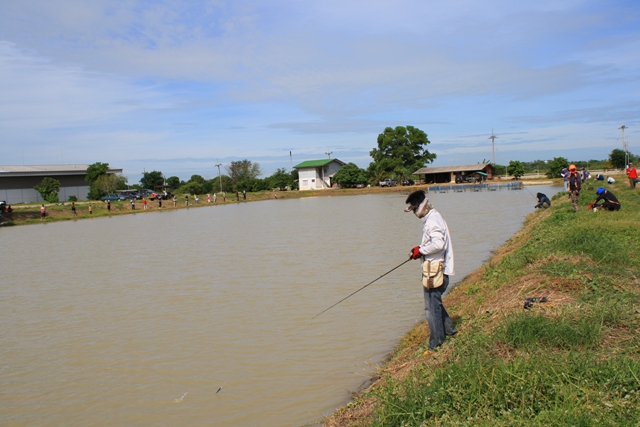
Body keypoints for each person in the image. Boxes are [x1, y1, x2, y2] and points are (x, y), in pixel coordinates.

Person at [405, 190, 458, 353]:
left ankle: (436, 342)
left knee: (431, 308)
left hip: (437, 271)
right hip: (435, 269)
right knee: (435, 304)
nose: (414, 213)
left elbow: (438, 244)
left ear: (421, 206)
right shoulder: (432, 218)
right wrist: (420, 250)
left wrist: (420, 250)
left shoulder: (432, 221)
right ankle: (450, 331)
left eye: (414, 209)